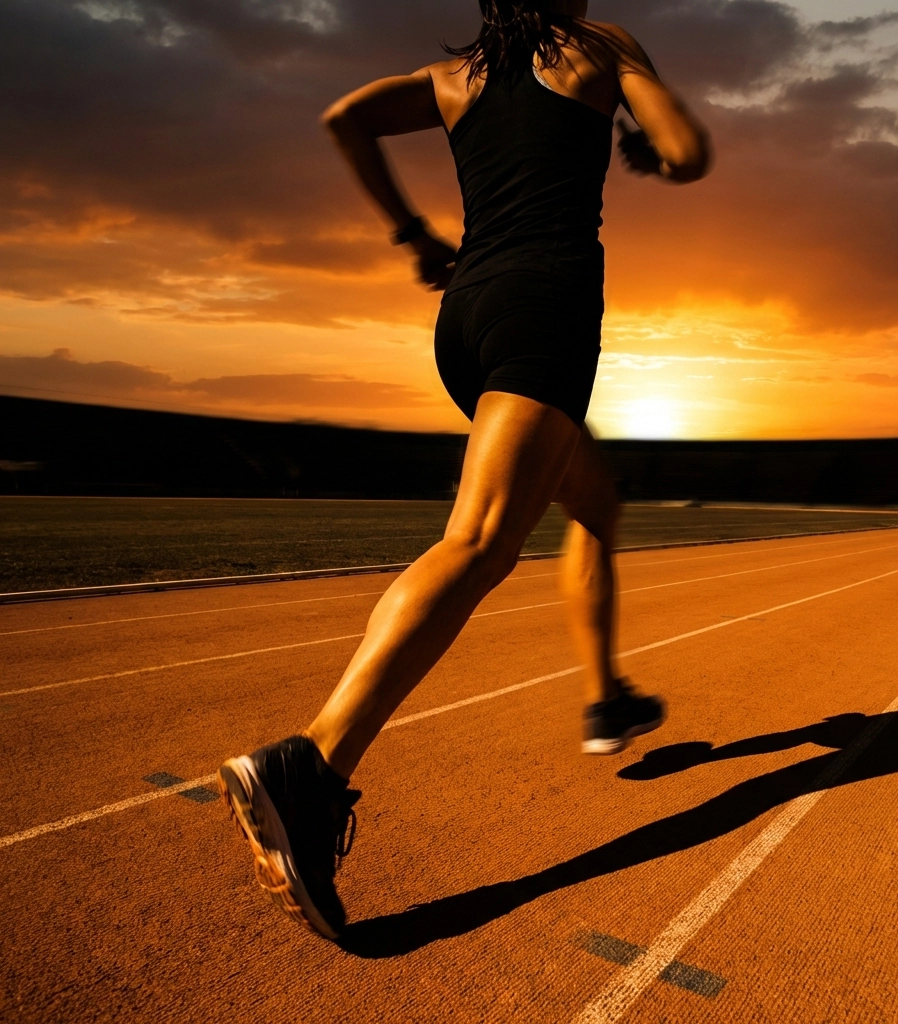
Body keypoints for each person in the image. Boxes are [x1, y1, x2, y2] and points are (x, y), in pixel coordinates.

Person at [218, 0, 711, 940]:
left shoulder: (457, 77)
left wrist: (410, 232)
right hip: (544, 311)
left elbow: (344, 119)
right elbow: (688, 152)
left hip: (467, 319)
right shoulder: (599, 45)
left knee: (594, 503)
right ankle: (312, 763)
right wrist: (646, 137)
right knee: (481, 538)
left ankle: (605, 693)